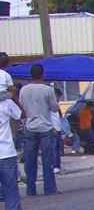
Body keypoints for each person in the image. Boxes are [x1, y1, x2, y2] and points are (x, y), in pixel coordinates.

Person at [19, 64, 60, 194]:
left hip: (30, 126)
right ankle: (49, 188)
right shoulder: (47, 90)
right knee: (47, 160)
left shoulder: (24, 90)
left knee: (30, 160)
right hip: (45, 127)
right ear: (42, 74)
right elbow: (54, 108)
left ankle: (31, 189)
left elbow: (22, 105)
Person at [0, 90, 25, 210]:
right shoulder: (7, 103)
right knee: (10, 187)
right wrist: (12, 96)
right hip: (6, 152)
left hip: (6, 152)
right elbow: (20, 115)